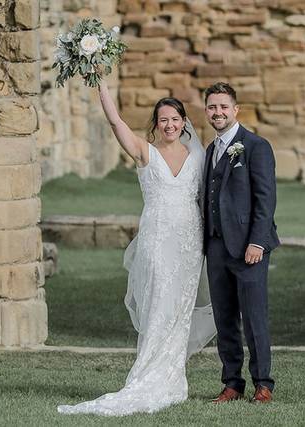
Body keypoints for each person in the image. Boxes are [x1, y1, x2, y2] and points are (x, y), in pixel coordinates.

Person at [57, 82, 215, 416]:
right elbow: (116, 123)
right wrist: (102, 86)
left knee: (178, 311)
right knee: (158, 306)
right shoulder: (144, 151)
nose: (169, 125)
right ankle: (146, 376)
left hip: (189, 244)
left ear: (184, 122)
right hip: (157, 241)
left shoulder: (198, 156)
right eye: (163, 120)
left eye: (175, 119)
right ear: (155, 124)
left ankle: (173, 378)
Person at [202, 82, 280, 404]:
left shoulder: (256, 146)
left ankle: (263, 383)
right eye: (212, 107)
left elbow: (266, 199)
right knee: (224, 318)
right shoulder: (210, 151)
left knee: (254, 317)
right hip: (217, 247)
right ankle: (232, 383)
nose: (217, 112)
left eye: (223, 107)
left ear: (235, 110)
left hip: (249, 248)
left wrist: (258, 243)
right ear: (206, 111)